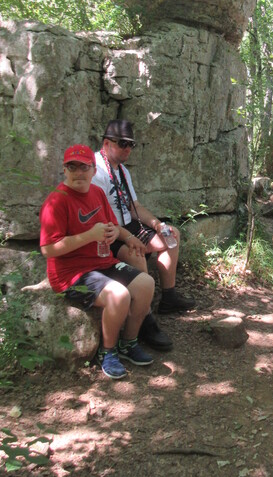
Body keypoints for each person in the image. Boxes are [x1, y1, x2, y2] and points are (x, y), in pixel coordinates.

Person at [39, 144, 156, 380]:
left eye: (84, 167)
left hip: (101, 263)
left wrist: (121, 235)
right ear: (64, 170)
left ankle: (128, 343)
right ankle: (108, 352)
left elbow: (112, 225)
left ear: (94, 171)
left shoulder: (97, 193)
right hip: (71, 274)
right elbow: (48, 249)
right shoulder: (56, 201)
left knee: (146, 284)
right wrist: (89, 236)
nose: (78, 172)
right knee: (119, 295)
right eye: (72, 167)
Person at [92, 120, 195, 350]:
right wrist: (127, 237)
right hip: (110, 234)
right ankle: (145, 318)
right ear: (106, 143)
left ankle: (168, 296)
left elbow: (134, 207)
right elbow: (98, 217)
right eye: (123, 144)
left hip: (129, 225)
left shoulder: (123, 171)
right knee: (137, 252)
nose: (128, 149)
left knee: (172, 235)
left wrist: (157, 224)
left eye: (131, 145)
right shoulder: (95, 169)